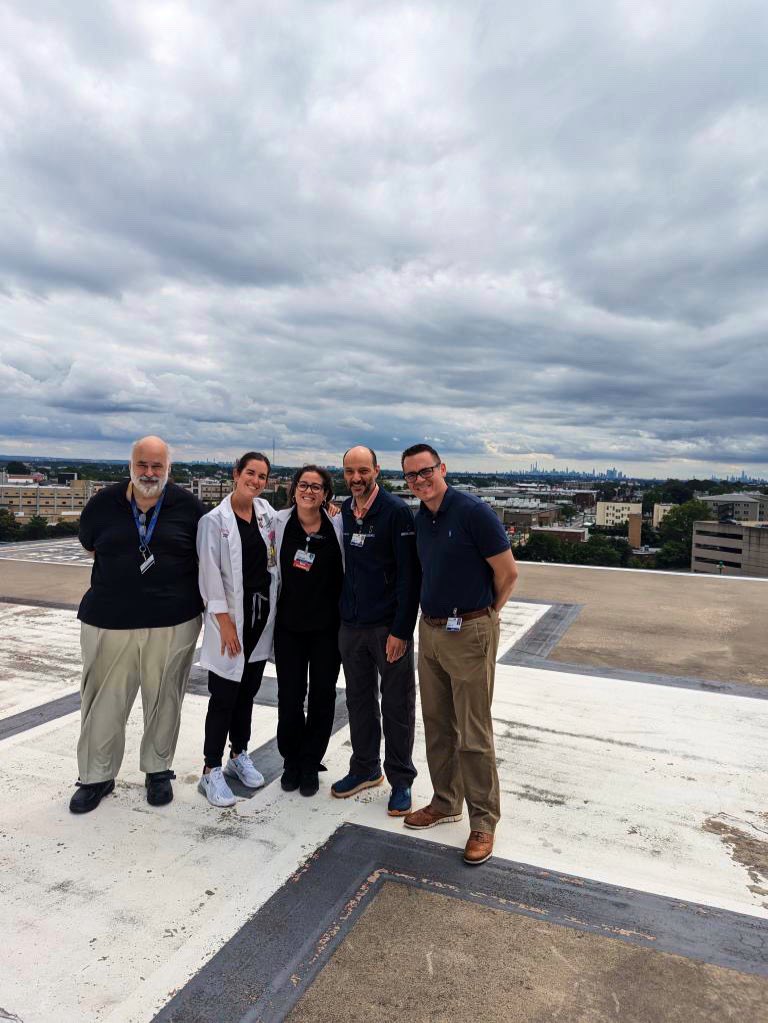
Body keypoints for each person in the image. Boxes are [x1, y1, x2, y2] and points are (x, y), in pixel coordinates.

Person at [70, 435, 204, 814]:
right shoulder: (102, 504)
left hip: (172, 621)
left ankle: (158, 771)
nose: (149, 473)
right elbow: (90, 545)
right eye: (142, 465)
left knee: (164, 699)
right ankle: (96, 776)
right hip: (109, 620)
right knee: (102, 701)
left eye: (156, 466)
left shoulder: (189, 507)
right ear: (131, 465)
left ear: (168, 470)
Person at [401, 443, 518, 865]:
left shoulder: (473, 513)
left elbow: (508, 573)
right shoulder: (422, 517)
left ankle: (483, 822)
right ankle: (446, 800)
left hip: (469, 630)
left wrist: (485, 618)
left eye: (425, 471)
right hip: (430, 630)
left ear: (442, 469)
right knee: (437, 724)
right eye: (412, 475)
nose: (419, 480)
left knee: (473, 731)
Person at [331, 446, 420, 817]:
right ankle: (366, 767)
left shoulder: (396, 511)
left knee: (397, 703)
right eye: (350, 471)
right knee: (359, 701)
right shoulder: (344, 512)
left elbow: (409, 577)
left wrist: (401, 630)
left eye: (363, 470)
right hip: (351, 626)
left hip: (388, 628)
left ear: (377, 471)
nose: (356, 478)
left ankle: (401, 779)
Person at [196, 452, 279, 807]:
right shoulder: (214, 521)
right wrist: (226, 624)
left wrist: (331, 511)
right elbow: (209, 576)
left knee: (247, 694)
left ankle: (238, 755)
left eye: (262, 476)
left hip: (260, 619)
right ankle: (210, 769)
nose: (256, 481)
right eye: (250, 473)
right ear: (236, 474)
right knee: (224, 697)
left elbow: (294, 524)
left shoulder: (266, 514)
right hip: (230, 621)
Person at [273, 466, 344, 797]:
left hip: (327, 628)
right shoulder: (278, 523)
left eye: (317, 487)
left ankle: (311, 761)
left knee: (322, 697)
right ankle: (291, 760)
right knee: (289, 697)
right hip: (288, 627)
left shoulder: (337, 525)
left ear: (326, 493)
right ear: (294, 488)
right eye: (304, 485)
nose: (309, 491)